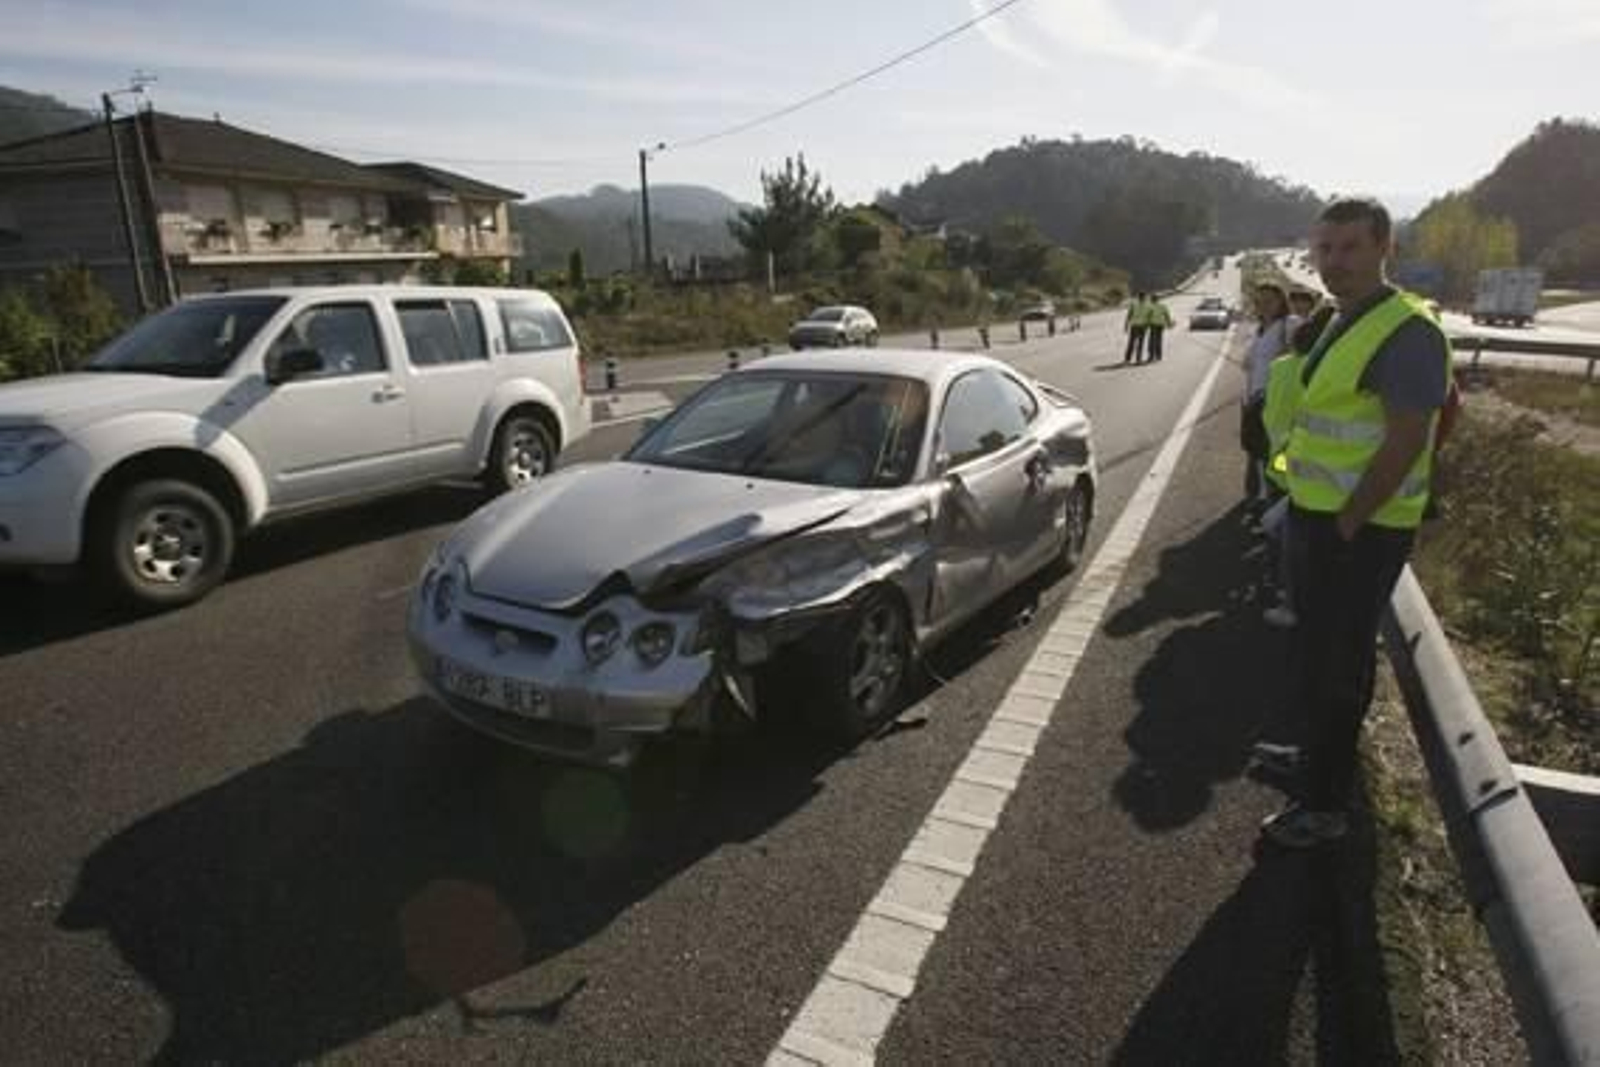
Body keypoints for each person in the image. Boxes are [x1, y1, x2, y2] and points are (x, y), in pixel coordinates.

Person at [1261, 198, 1452, 849]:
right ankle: (1313, 762)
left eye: (1349, 248)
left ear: (1382, 248)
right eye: (1326, 249)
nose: (1334, 262)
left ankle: (1323, 804)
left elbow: (1406, 438)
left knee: (1338, 668)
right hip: (1321, 520)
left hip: (1357, 531)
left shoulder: (1405, 330)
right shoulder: (1345, 320)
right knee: (1316, 658)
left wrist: (1347, 520)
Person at [1240, 284, 1297, 515]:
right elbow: (1248, 363)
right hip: (1253, 399)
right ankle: (1260, 496)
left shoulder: (1290, 324)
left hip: (1277, 400)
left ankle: (1277, 497)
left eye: (1269, 300)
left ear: (1281, 302)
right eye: (1259, 301)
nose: (1263, 305)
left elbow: (1301, 355)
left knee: (1275, 452)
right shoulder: (1259, 330)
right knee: (1256, 450)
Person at [1145, 294, 1174, 362]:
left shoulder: (1150, 306)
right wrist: (1169, 323)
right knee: (1159, 340)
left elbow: (1147, 316)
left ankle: (1151, 356)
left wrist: (1146, 325)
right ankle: (1159, 356)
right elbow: (1167, 315)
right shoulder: (1163, 306)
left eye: (1151, 299)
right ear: (1158, 299)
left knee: (1152, 341)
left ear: (1152, 299)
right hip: (1160, 325)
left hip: (1153, 325)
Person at [1123, 293, 1150, 364]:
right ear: (1144, 297)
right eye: (1144, 297)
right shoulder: (1146, 305)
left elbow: (1129, 315)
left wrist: (1126, 325)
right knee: (1137, 343)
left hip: (1137, 326)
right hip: (1140, 326)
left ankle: (1129, 359)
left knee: (1133, 343)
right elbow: (1129, 315)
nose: (1144, 298)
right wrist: (1126, 325)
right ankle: (1137, 359)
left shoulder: (1135, 305)